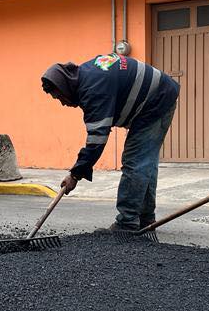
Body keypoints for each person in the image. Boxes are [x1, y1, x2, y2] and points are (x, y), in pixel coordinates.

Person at [42, 53, 180, 231]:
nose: (62, 103)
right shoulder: (86, 74)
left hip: (156, 101)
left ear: (66, 87)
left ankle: (127, 223)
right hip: (160, 95)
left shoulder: (93, 90)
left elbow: (96, 140)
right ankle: (145, 220)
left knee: (135, 161)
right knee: (145, 162)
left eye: (60, 97)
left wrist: (75, 174)